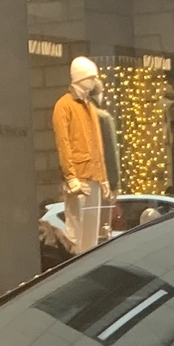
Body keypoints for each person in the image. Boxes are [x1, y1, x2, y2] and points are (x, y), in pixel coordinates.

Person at [53, 56, 109, 249]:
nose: (94, 81)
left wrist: (103, 177)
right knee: (76, 235)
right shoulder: (63, 105)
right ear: (80, 77)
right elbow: (63, 143)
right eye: (91, 77)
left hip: (92, 176)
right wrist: (71, 177)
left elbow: (97, 144)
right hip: (79, 178)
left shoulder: (90, 107)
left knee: (91, 236)